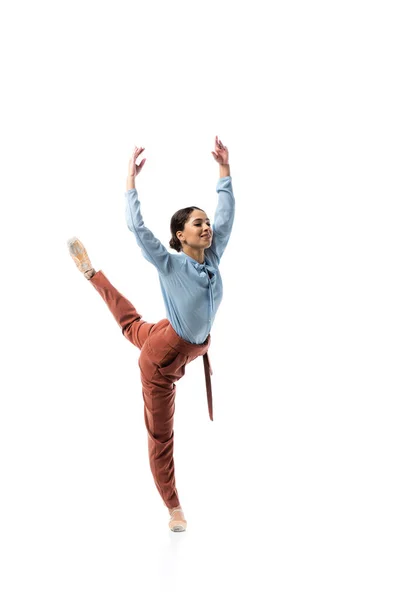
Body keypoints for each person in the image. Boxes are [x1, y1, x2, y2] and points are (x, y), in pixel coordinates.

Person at [68, 136, 235, 532]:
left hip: (169, 336)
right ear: (180, 236)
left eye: (206, 222)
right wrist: (130, 180)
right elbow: (136, 228)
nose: (208, 227)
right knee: (161, 436)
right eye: (199, 224)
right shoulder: (170, 265)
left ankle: (93, 275)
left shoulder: (212, 256)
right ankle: (173, 506)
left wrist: (224, 169)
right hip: (162, 362)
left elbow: (227, 214)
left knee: (133, 325)